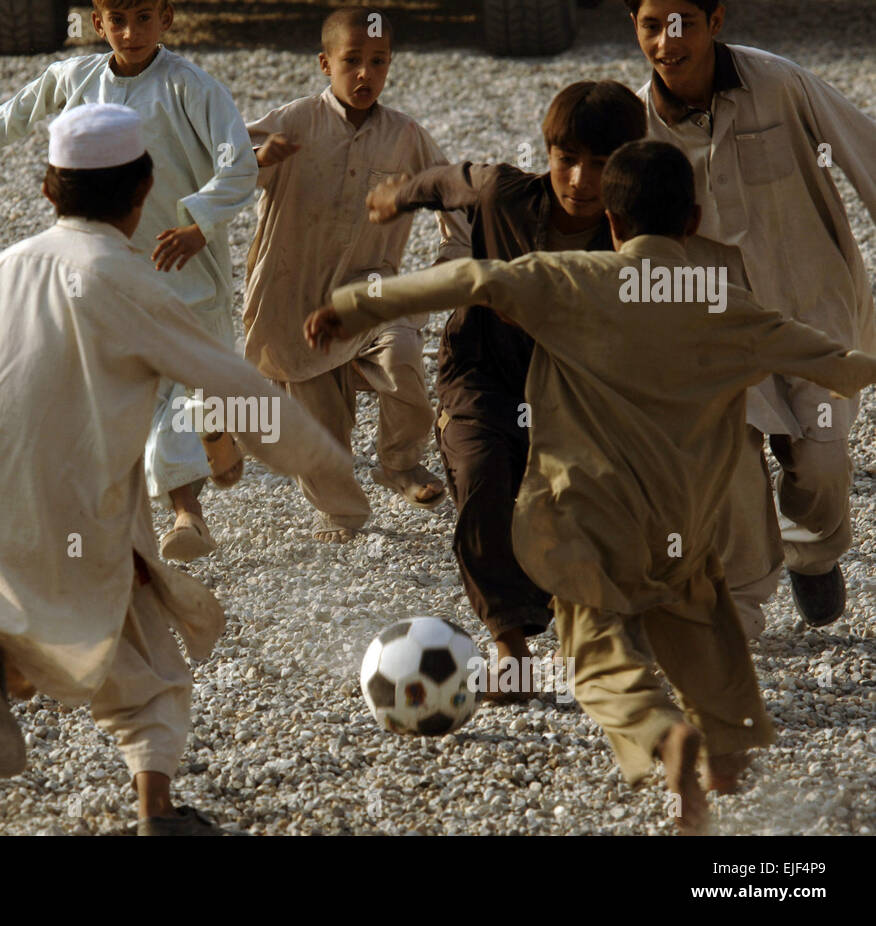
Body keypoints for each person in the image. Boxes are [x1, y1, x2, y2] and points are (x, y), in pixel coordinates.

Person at [306, 140, 876, 833]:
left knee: (597, 652)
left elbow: (475, 281)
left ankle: (663, 734)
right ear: (693, 220)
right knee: (701, 618)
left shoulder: (570, 280)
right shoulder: (725, 304)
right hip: (685, 526)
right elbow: (840, 366)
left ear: (611, 220)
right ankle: (726, 746)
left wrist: (354, 305)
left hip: (582, 521)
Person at [0, 104, 352, 836]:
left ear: (47, 190)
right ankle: (149, 805)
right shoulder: (132, 283)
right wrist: (332, 477)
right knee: (153, 672)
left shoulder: (3, 268)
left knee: (89, 634)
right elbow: (233, 385)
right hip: (82, 515)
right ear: (145, 190)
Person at [363, 80, 646, 695]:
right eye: (566, 160)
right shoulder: (503, 195)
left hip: (576, 391)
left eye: (600, 165)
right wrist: (399, 196)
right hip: (482, 372)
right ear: (547, 155)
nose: (579, 180)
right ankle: (509, 647)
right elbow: (445, 180)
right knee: (484, 478)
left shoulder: (640, 236)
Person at [0, 0, 258, 562]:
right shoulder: (79, 77)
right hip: (110, 266)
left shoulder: (193, 88)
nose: (130, 31)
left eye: (144, 17)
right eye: (118, 19)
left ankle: (213, 443)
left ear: (167, 18)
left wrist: (199, 223)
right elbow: (32, 99)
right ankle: (185, 511)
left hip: (184, 266)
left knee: (191, 380)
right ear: (98, 23)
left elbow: (239, 165)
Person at [625, 0, 876, 635]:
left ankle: (811, 552)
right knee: (733, 475)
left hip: (812, 312)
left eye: (682, 21)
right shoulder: (635, 126)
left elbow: (863, 150)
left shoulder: (781, 83)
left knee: (821, 465)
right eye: (651, 24)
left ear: (716, 21)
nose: (666, 40)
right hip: (712, 332)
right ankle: (740, 612)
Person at [242, 6, 461, 543]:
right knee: (321, 432)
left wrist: (447, 268)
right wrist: (254, 159)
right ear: (325, 63)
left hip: (371, 292)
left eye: (378, 61)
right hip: (292, 301)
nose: (365, 74)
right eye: (352, 61)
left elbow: (454, 196)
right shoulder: (293, 122)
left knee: (405, 360)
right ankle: (341, 513)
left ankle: (400, 463)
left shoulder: (407, 137)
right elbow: (219, 168)